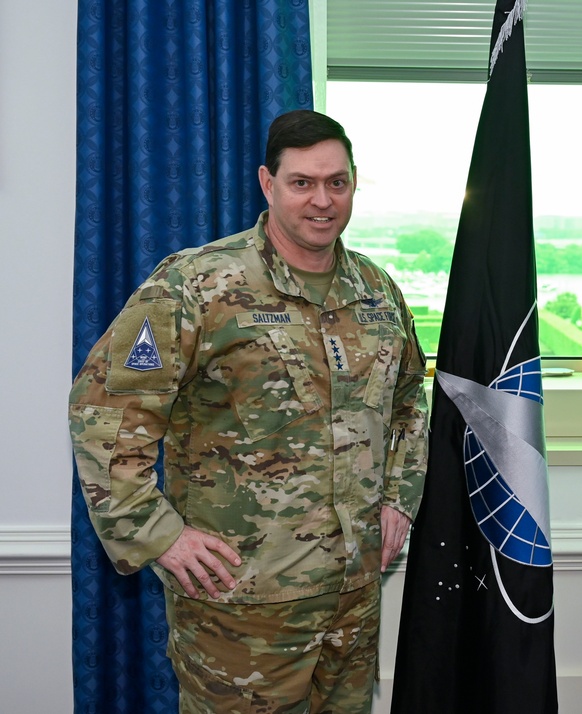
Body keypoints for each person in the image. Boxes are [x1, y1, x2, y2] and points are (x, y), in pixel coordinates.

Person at [69, 109, 429, 713]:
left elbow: (409, 401)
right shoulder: (197, 284)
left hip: (351, 595)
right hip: (240, 606)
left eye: (336, 182)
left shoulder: (375, 289)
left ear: (354, 184)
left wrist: (399, 498)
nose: (322, 201)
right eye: (302, 183)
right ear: (268, 183)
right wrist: (158, 535)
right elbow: (104, 409)